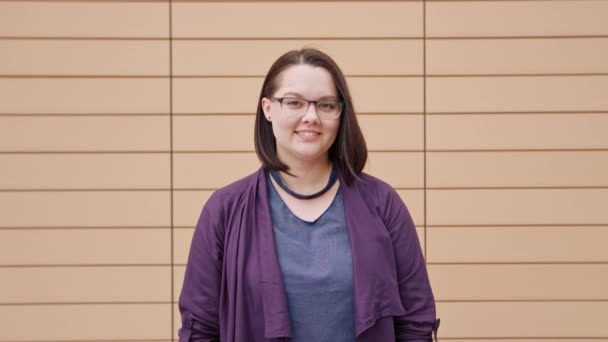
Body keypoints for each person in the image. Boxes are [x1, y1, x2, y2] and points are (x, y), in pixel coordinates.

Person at [178, 48, 440, 342]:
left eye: (326, 105)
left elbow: (415, 322)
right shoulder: (224, 211)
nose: (311, 116)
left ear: (341, 114)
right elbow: (200, 328)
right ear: (267, 108)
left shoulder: (382, 203)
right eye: (294, 102)